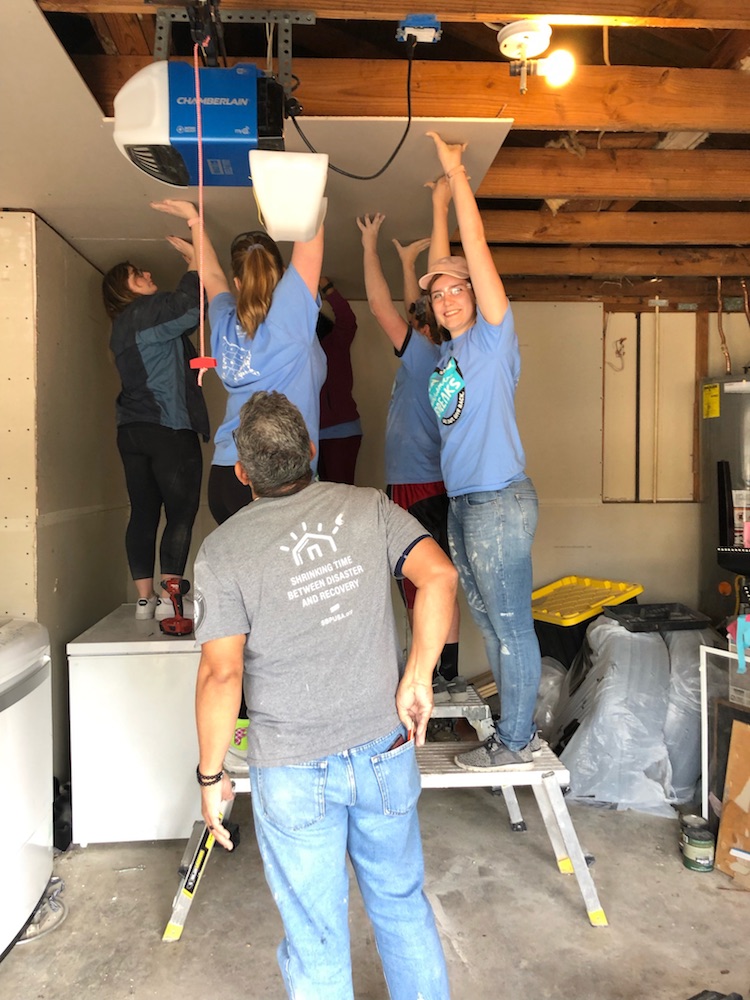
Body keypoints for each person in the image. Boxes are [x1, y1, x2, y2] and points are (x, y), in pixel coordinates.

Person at [193, 390, 456, 1000]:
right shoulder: (368, 507)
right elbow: (438, 576)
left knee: (315, 933)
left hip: (292, 767)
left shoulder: (224, 550)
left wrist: (212, 778)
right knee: (399, 904)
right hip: (384, 750)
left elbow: (221, 677)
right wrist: (418, 676)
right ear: (311, 451)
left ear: (242, 473)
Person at [419, 133, 543, 771]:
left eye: (456, 289)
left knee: (510, 625)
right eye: (438, 295)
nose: (447, 297)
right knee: (492, 626)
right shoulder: (449, 350)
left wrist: (458, 175)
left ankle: (518, 742)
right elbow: (443, 266)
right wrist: (435, 209)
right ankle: (510, 731)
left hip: (499, 501)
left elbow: (476, 256)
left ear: (476, 294)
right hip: (467, 504)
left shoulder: (492, 337)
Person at [102, 199, 226, 619]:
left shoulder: (120, 328)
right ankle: (173, 598)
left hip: (131, 431)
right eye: (139, 276)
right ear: (126, 292)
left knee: (142, 510)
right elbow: (191, 307)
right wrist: (195, 260)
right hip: (167, 429)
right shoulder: (143, 313)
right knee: (181, 511)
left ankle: (144, 600)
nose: (148, 274)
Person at [357, 213, 461, 685]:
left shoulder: (424, 355)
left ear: (424, 330)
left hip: (420, 485)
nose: (413, 317)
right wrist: (408, 261)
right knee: (430, 580)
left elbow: (382, 308)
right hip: (421, 482)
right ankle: (443, 674)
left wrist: (369, 244)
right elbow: (410, 307)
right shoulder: (435, 354)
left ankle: (436, 676)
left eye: (419, 316)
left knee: (425, 583)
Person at [206, 226, 326, 525]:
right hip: (272, 478)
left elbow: (211, 278)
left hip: (224, 475)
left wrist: (195, 222)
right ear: (285, 274)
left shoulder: (224, 321)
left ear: (237, 282)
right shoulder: (290, 320)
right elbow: (310, 247)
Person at [316, 275, 362, 484]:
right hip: (309, 435)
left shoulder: (335, 342)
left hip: (341, 431)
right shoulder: (294, 351)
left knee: (341, 499)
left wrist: (328, 288)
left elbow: (347, 319)